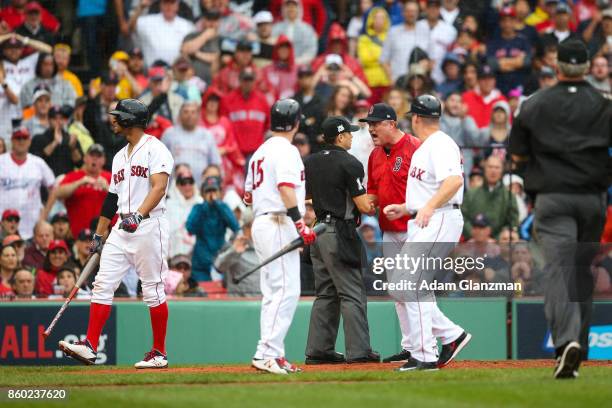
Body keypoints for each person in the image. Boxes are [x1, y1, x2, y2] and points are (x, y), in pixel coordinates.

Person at [509, 40, 612, 379]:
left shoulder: (535, 104)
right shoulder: (604, 104)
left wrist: (531, 176)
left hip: (553, 197)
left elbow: (517, 155)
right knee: (581, 269)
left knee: (559, 268)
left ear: (557, 67)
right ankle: (576, 347)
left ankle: (566, 341)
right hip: (592, 200)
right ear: (586, 67)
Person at [58, 99, 174, 369]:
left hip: (149, 224)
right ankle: (89, 346)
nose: (113, 119)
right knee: (102, 283)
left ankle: (159, 352)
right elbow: (111, 199)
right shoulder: (120, 155)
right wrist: (99, 235)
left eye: (118, 115)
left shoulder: (156, 148)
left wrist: (139, 214)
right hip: (121, 227)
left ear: (131, 120)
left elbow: (159, 188)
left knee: (153, 289)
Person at [383, 94, 472, 371]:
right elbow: (430, 188)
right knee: (400, 285)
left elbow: (454, 181)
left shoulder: (441, 143)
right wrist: (406, 207)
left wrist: (429, 207)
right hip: (432, 216)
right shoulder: (427, 146)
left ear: (416, 118)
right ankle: (451, 335)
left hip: (442, 217)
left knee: (411, 284)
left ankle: (424, 355)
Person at [244, 98, 317, 374]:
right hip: (278, 221)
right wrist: (300, 224)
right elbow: (286, 188)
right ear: (296, 122)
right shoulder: (287, 151)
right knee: (286, 290)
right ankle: (266, 353)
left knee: (274, 292)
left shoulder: (260, 151)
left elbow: (248, 195)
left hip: (264, 221)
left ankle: (275, 353)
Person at [304, 115, 380, 365]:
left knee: (325, 292)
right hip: (340, 231)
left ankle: (319, 350)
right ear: (340, 137)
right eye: (349, 133)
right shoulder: (350, 163)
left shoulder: (311, 162)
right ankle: (359, 351)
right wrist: (380, 199)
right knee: (352, 293)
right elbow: (363, 205)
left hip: (318, 231)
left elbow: (307, 199)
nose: (351, 136)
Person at [360, 102, 421, 363]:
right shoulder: (375, 155)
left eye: (375, 123)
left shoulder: (416, 147)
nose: (371, 128)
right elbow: (372, 191)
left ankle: (425, 347)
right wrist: (363, 203)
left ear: (392, 124)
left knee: (413, 289)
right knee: (397, 291)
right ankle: (410, 346)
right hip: (389, 231)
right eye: (368, 124)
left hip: (414, 228)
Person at [0, 127, 55, 240]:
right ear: (12, 140)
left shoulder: (38, 163)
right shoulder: (2, 161)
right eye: (18, 138)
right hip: (3, 226)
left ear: (29, 141)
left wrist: (45, 214)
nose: (21, 141)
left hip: (32, 227)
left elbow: (53, 188)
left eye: (24, 138)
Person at [186, 176, 238, 281]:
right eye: (208, 191)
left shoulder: (223, 207)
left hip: (220, 262)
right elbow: (190, 228)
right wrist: (205, 206)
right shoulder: (198, 208)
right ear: (203, 194)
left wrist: (218, 205)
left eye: (214, 190)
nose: (211, 194)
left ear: (219, 192)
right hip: (201, 264)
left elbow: (235, 226)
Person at [56, 144, 111, 238]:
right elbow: (58, 193)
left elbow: (125, 200)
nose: (94, 159)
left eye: (98, 156)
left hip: (104, 236)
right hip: (78, 236)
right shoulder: (74, 176)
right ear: (85, 158)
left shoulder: (110, 177)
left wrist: (108, 188)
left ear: (104, 160)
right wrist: (79, 183)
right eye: (92, 155)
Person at [162, 101, 221, 187]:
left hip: (201, 189)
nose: (189, 115)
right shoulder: (169, 134)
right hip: (174, 190)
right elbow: (160, 162)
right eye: (186, 112)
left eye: (193, 112)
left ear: (198, 115)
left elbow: (215, 164)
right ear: (180, 114)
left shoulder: (207, 135)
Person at [220, 68, 270, 159]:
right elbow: (223, 126)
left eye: (250, 80)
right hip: (234, 152)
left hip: (257, 152)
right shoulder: (228, 100)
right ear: (239, 80)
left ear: (255, 81)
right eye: (245, 80)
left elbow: (267, 125)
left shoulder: (262, 100)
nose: (248, 83)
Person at [131, 0, 195, 67]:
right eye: (165, 3)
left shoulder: (187, 26)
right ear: (160, 5)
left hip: (178, 72)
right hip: (153, 72)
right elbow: (131, 28)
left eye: (172, 3)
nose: (169, 6)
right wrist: (141, 7)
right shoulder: (148, 21)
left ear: (177, 5)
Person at [214, 209, 261, 296]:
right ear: (245, 227)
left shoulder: (267, 245)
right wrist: (233, 251)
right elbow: (218, 267)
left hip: (262, 302)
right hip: (239, 303)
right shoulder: (234, 243)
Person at [486, 7, 532, 95]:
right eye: (504, 21)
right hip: (499, 85)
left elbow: (527, 61)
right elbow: (492, 64)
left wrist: (503, 62)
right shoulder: (493, 42)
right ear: (500, 23)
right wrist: (517, 62)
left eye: (510, 20)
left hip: (520, 84)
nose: (507, 24)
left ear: (515, 22)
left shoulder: (523, 41)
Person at [30, 105, 83, 176]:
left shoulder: (71, 139)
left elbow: (80, 164)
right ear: (48, 120)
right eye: (55, 118)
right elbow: (34, 163)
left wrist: (73, 148)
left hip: (67, 183)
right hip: (46, 183)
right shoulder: (38, 139)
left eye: (61, 118)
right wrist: (54, 143)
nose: (58, 121)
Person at [380, 1, 422, 82]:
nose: (411, 14)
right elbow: (384, 60)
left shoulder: (425, 31)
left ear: (418, 13)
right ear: (403, 12)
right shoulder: (393, 32)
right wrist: (392, 81)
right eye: (408, 11)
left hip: (419, 83)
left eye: (414, 11)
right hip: (398, 82)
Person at [167, 164, 202, 258]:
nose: (187, 186)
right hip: (172, 258)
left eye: (190, 182)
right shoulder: (168, 205)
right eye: (183, 182)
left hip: (196, 258)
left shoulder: (201, 204)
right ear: (176, 185)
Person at [357, 6, 391, 103]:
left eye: (382, 18)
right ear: (371, 20)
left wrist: (374, 54)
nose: (379, 21)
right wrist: (383, 58)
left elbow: (393, 59)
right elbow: (365, 59)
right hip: (370, 81)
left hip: (387, 81)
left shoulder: (391, 37)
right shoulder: (364, 39)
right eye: (376, 18)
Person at [181, 8, 221, 85]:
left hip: (213, 85)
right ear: (203, 20)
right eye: (209, 20)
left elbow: (215, 58)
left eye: (215, 20)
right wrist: (205, 36)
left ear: (219, 22)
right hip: (192, 82)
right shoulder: (192, 35)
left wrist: (196, 54)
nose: (212, 24)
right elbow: (185, 50)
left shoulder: (221, 39)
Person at [271, 0, 318, 66]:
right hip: (279, 67)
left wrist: (295, 62)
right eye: (288, 6)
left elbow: (311, 51)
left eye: (293, 6)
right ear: (283, 9)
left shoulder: (308, 29)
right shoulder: (275, 28)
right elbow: (272, 48)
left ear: (299, 9)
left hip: (301, 68)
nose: (291, 9)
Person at [462, 64, 507, 129]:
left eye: (490, 79)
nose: (487, 82)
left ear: (494, 81)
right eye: (484, 79)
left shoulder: (502, 100)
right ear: (478, 81)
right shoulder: (466, 97)